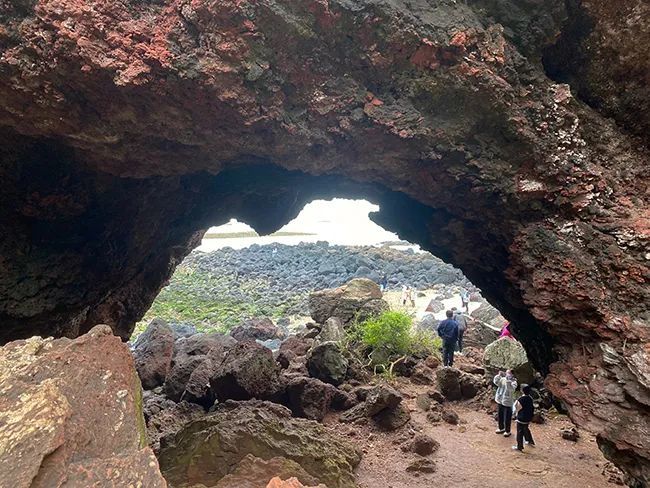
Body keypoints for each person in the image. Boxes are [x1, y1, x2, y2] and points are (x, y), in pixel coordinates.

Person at [494, 369, 517, 437]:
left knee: (507, 417)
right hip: (500, 399)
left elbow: (511, 389)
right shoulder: (502, 379)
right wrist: (498, 376)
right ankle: (501, 428)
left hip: (507, 401)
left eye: (509, 373)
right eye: (507, 373)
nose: (507, 374)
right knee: (500, 414)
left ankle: (507, 431)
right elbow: (496, 382)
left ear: (512, 374)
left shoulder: (514, 382)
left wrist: (508, 381)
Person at [512, 384, 536, 451]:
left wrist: (514, 414)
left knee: (519, 432)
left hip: (521, 418)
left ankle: (519, 446)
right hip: (528, 417)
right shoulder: (530, 398)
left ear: (522, 391)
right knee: (526, 428)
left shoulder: (521, 399)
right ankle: (529, 440)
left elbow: (516, 408)